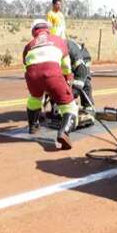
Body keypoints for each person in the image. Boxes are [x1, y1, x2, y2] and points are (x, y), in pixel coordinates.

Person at [23, 20, 78, 150]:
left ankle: (33, 126)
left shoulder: (29, 45)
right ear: (48, 29)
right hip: (52, 72)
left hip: (32, 75)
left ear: (34, 32)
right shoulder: (58, 40)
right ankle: (64, 132)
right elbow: (65, 65)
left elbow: (26, 64)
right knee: (70, 107)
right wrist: (67, 78)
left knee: (35, 98)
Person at [67, 39, 94, 118]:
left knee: (85, 81)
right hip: (70, 59)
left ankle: (88, 106)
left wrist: (73, 93)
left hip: (83, 57)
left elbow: (81, 72)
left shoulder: (71, 49)